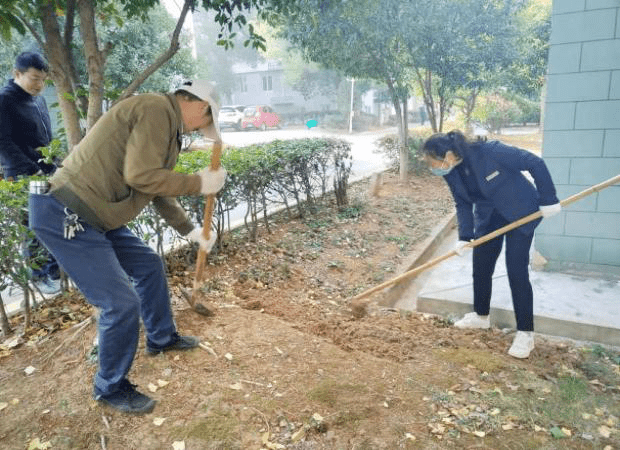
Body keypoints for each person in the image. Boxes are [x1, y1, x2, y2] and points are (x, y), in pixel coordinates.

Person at [28, 80, 228, 414]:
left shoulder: (166, 124)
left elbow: (156, 188)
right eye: (206, 120)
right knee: (120, 303)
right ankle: (110, 387)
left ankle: (161, 338)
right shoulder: (155, 109)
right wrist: (198, 183)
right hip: (67, 212)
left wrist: (190, 231)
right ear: (198, 105)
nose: (202, 127)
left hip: (96, 215)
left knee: (148, 264)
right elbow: (142, 175)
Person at [421, 130, 561, 359]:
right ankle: (481, 316)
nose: (433, 167)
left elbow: (534, 162)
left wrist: (548, 199)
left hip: (521, 212)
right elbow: (462, 203)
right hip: (490, 216)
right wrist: (465, 236)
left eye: (433, 161)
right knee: (481, 265)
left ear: (447, 155)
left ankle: (526, 333)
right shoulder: (451, 171)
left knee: (516, 271)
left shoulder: (491, 151)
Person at [0, 51, 60, 295]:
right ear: (17, 74)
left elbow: (45, 137)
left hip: (46, 171)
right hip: (24, 174)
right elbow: (3, 142)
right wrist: (31, 169)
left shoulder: (38, 99)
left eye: (43, 79)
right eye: (35, 78)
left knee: (53, 220)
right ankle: (40, 275)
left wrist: (54, 162)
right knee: (32, 225)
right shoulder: (5, 101)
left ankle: (55, 269)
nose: (40, 85)